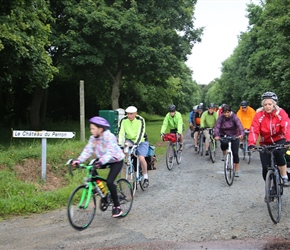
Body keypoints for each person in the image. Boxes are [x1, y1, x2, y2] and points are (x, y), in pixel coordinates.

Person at [72, 116, 125, 218]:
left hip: (116, 160)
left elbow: (110, 152)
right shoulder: (93, 138)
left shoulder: (109, 136)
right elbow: (88, 150)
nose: (91, 131)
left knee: (110, 181)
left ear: (100, 129)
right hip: (103, 159)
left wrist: (100, 162)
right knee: (91, 167)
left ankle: (117, 206)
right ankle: (101, 191)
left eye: (93, 128)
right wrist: (78, 161)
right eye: (90, 128)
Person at [248, 92, 290, 187]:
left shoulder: (281, 113)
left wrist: (288, 139)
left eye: (270, 104)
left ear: (274, 104)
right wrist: (252, 143)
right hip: (265, 142)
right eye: (265, 104)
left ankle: (284, 176)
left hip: (279, 140)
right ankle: (269, 187)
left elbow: (286, 126)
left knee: (278, 153)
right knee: (265, 167)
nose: (267, 107)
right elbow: (254, 129)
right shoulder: (259, 115)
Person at [118, 106, 149, 188]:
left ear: (136, 113)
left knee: (141, 158)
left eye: (131, 114)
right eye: (128, 114)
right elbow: (121, 133)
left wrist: (136, 143)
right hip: (130, 140)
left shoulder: (140, 120)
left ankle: (146, 177)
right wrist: (120, 143)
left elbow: (141, 132)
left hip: (141, 140)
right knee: (124, 147)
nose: (129, 116)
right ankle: (128, 163)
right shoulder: (124, 120)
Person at [214, 104, 244, 177]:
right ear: (223, 112)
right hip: (224, 134)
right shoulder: (221, 118)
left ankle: (236, 171)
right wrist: (216, 135)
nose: (226, 114)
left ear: (230, 112)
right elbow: (217, 127)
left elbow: (239, 125)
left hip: (234, 135)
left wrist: (241, 134)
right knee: (223, 144)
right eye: (225, 112)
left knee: (235, 154)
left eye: (228, 112)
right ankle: (224, 154)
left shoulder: (234, 117)